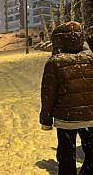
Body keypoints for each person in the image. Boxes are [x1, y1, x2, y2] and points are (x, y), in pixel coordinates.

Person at [40, 21, 93, 175]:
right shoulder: (91, 59)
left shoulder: (54, 63)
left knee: (66, 155)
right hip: (90, 117)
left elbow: (48, 93)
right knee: (91, 153)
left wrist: (46, 118)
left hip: (65, 120)